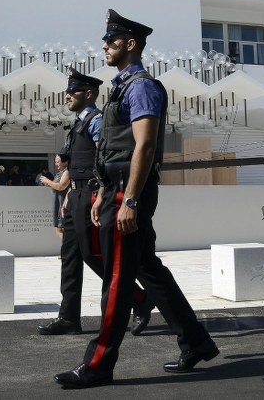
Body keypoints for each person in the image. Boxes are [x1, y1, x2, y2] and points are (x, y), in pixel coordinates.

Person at [55, 9, 218, 388]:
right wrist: (102, 192)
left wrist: (128, 200)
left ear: (130, 44)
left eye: (111, 41)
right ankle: (196, 341)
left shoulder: (141, 87)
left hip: (129, 192)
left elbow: (143, 146)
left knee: (116, 277)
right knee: (149, 271)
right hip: (116, 189)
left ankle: (98, 364)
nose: (104, 47)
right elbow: (114, 149)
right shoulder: (123, 87)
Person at [38, 68, 153, 338]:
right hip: (76, 196)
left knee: (92, 255)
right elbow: (79, 163)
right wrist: (69, 192)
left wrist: (101, 192)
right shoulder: (79, 122)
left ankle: (139, 298)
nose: (67, 95)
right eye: (67, 91)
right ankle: (68, 318)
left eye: (73, 91)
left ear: (89, 94)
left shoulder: (96, 120)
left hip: (91, 196)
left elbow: (104, 158)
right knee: (69, 257)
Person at [39, 156, 69, 239]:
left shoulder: (67, 172)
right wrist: (48, 184)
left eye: (57, 162)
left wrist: (48, 181)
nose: (56, 164)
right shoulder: (60, 173)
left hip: (62, 203)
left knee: (61, 228)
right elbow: (56, 185)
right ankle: (67, 246)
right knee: (59, 228)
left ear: (64, 162)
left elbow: (61, 186)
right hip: (58, 202)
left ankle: (67, 246)